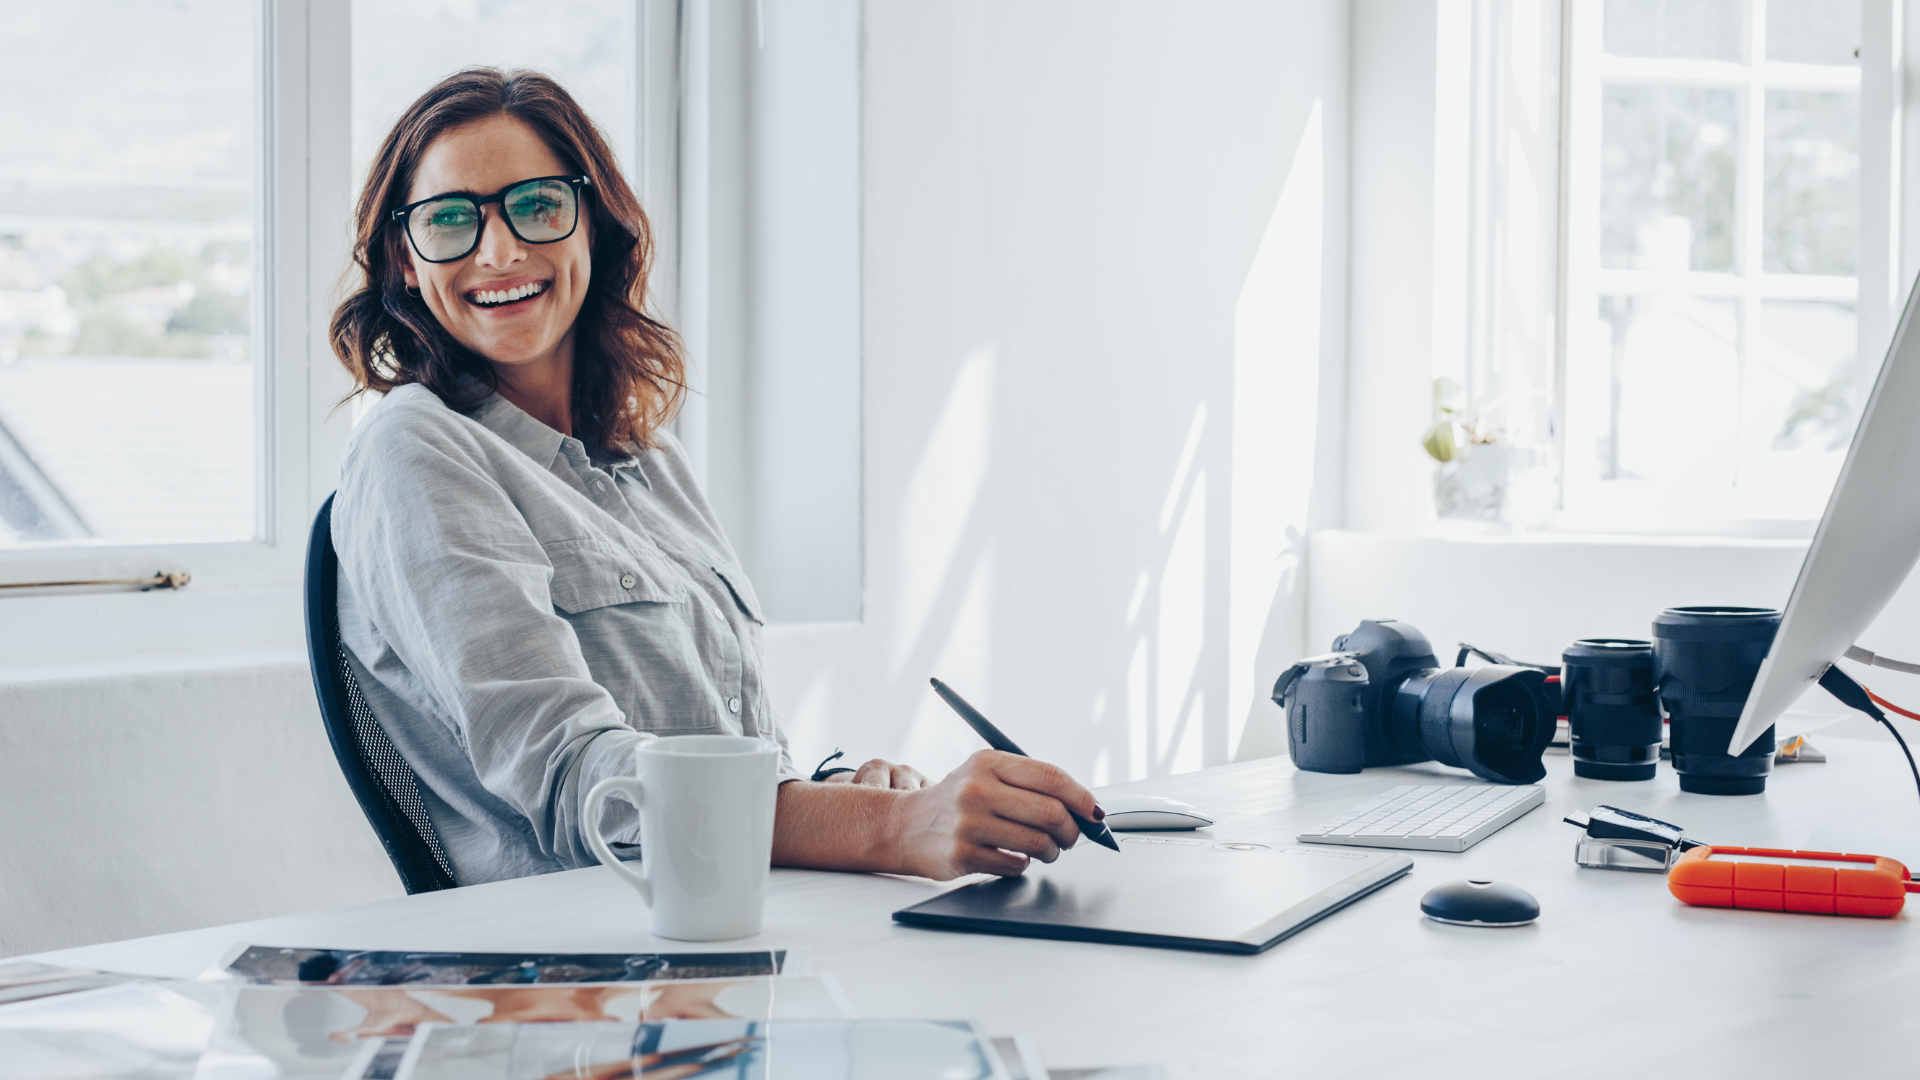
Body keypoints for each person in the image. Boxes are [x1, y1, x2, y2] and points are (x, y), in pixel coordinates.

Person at [327, 68, 1102, 887]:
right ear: (403, 262)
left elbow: (730, 745)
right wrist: (893, 827)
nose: (500, 250)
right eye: (450, 219)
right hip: (584, 965)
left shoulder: (647, 454)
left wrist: (836, 799)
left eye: (538, 205)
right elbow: (581, 782)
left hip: (735, 919)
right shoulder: (413, 449)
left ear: (594, 224)